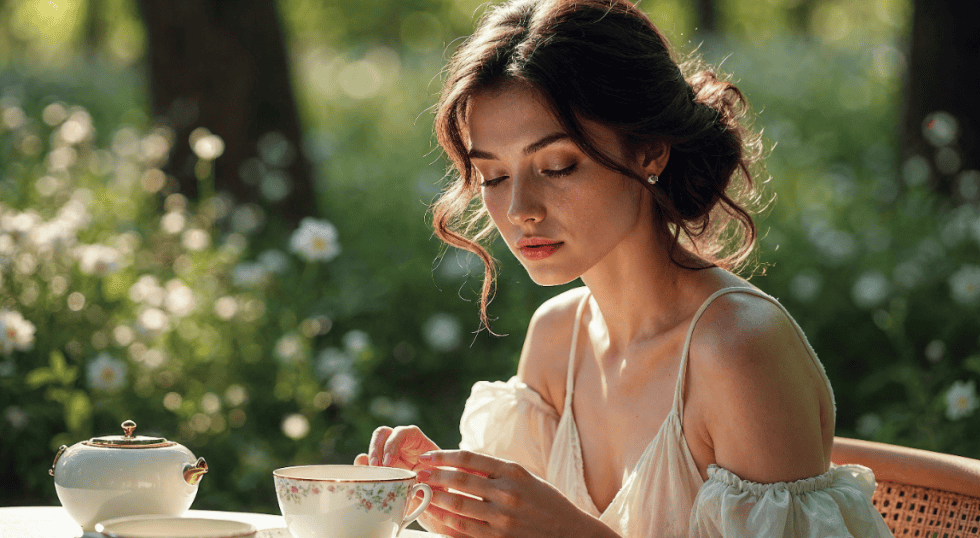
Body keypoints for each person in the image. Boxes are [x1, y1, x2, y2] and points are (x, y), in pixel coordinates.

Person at [356, 0, 895, 536]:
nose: (520, 208)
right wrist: (454, 500)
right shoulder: (556, 339)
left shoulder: (737, 350)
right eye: (493, 177)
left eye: (557, 165)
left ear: (651, 151)